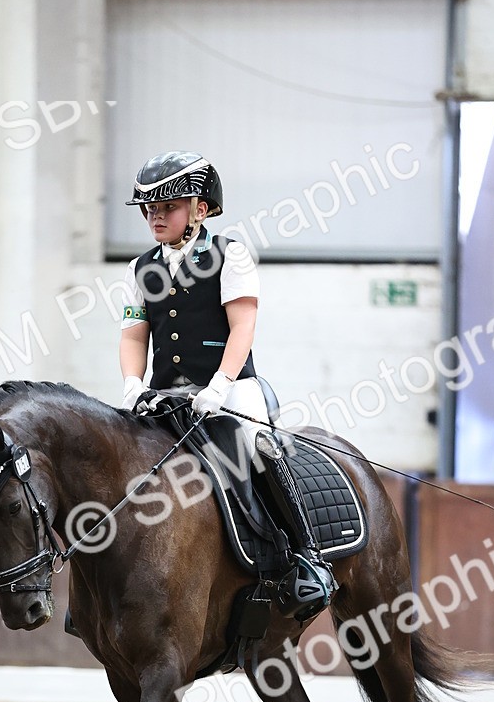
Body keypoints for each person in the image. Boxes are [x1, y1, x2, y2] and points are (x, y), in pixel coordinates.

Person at [118, 149, 336, 621]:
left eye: (167, 207)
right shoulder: (142, 269)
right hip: (164, 393)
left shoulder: (228, 255)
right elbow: (135, 332)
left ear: (199, 210)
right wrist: (133, 384)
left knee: (259, 447)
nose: (155, 216)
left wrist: (219, 385)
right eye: (149, 209)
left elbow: (243, 327)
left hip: (229, 385)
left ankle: (307, 559)